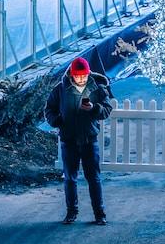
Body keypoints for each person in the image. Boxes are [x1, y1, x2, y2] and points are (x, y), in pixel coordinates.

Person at [44, 56, 113, 225]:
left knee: (93, 178)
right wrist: (57, 120)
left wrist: (93, 108)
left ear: (88, 73)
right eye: (77, 76)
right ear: (71, 75)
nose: (81, 79)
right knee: (70, 178)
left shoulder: (97, 88)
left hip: (89, 139)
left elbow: (106, 109)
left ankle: (99, 213)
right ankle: (71, 212)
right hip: (69, 140)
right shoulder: (60, 89)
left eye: (83, 76)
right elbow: (49, 109)